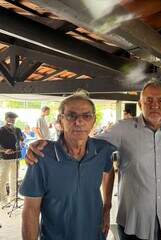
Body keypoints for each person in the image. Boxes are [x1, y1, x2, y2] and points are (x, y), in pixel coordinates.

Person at [26, 80, 161, 240]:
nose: (155, 105)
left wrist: (107, 206)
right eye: (149, 100)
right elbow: (87, 140)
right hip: (134, 222)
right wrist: (39, 146)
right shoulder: (122, 128)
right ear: (140, 105)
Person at [20, 91, 115, 240]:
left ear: (93, 121)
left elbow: (109, 170)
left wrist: (107, 207)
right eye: (71, 116)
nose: (79, 122)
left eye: (86, 116)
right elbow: (31, 211)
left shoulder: (102, 150)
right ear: (60, 121)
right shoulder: (41, 156)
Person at [0, 112, 24, 203]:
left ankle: (13, 198)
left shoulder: (17, 129)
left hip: (16, 157)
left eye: (14, 118)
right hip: (4, 158)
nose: (13, 120)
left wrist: (21, 141)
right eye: (11, 118)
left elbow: (21, 139)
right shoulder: (1, 130)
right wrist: (4, 150)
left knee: (14, 179)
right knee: (2, 179)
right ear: (6, 119)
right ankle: (3, 200)